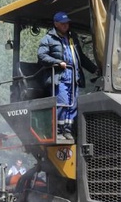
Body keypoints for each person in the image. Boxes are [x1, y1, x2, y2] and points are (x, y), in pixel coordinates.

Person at [37, 11, 99, 141]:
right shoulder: (48, 39)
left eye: (67, 23)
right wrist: (58, 62)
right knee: (63, 103)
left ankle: (68, 130)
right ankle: (58, 131)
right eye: (63, 23)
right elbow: (42, 56)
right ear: (56, 24)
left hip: (74, 78)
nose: (66, 26)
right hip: (60, 78)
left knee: (73, 104)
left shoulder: (72, 38)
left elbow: (81, 57)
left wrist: (94, 69)